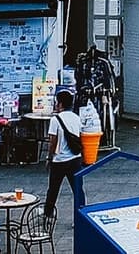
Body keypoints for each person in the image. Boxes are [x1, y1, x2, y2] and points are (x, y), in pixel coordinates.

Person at [43, 89, 84, 224]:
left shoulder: (55, 120)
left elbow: (52, 141)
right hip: (75, 159)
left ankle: (48, 215)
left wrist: (49, 158)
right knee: (78, 189)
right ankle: (81, 216)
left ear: (60, 104)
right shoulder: (77, 118)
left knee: (53, 189)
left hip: (59, 160)